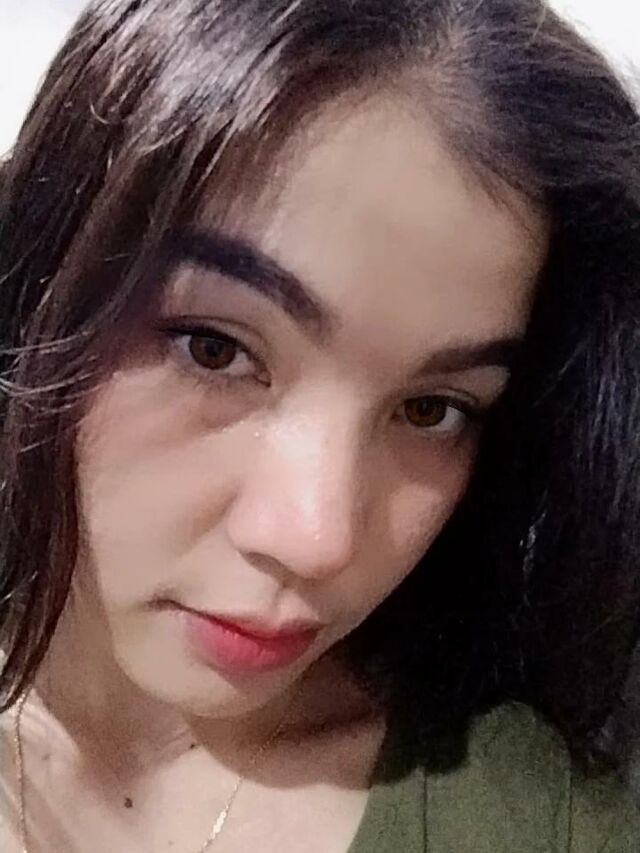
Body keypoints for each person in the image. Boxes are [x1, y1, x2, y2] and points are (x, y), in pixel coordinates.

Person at [0, 0, 639, 850]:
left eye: (433, 410)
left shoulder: (537, 815)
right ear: (38, 291)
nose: (318, 541)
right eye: (214, 349)